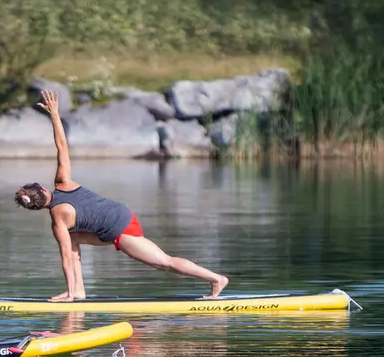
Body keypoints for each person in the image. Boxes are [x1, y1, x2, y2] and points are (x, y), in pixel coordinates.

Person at [15, 90, 228, 301]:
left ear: (35, 208)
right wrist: (53, 114)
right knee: (73, 239)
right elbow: (61, 145)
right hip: (117, 215)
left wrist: (67, 295)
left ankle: (216, 279)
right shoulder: (63, 183)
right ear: (43, 189)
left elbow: (66, 260)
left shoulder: (57, 220)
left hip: (120, 227)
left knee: (164, 262)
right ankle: (78, 290)